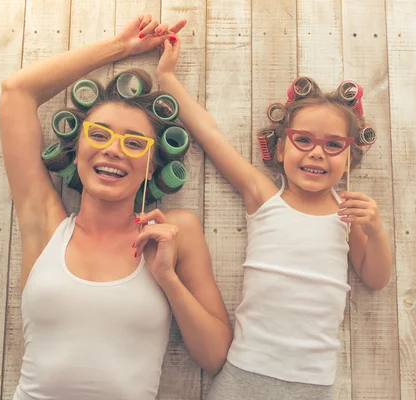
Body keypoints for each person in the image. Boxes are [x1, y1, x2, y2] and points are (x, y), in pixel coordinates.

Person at [0, 15, 232, 400]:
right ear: (77, 149)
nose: (113, 149)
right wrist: (120, 48)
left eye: (134, 143)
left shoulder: (175, 232)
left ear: (153, 165)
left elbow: (215, 356)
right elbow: (16, 91)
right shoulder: (45, 224)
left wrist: (168, 279)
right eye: (100, 134)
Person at [155, 37, 392, 399]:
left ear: (348, 158)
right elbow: (210, 134)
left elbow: (375, 278)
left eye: (332, 145)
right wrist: (168, 78)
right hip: (246, 370)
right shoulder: (264, 195)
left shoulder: (348, 213)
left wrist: (375, 230)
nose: (317, 153)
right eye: (304, 141)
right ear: (280, 148)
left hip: (313, 381)